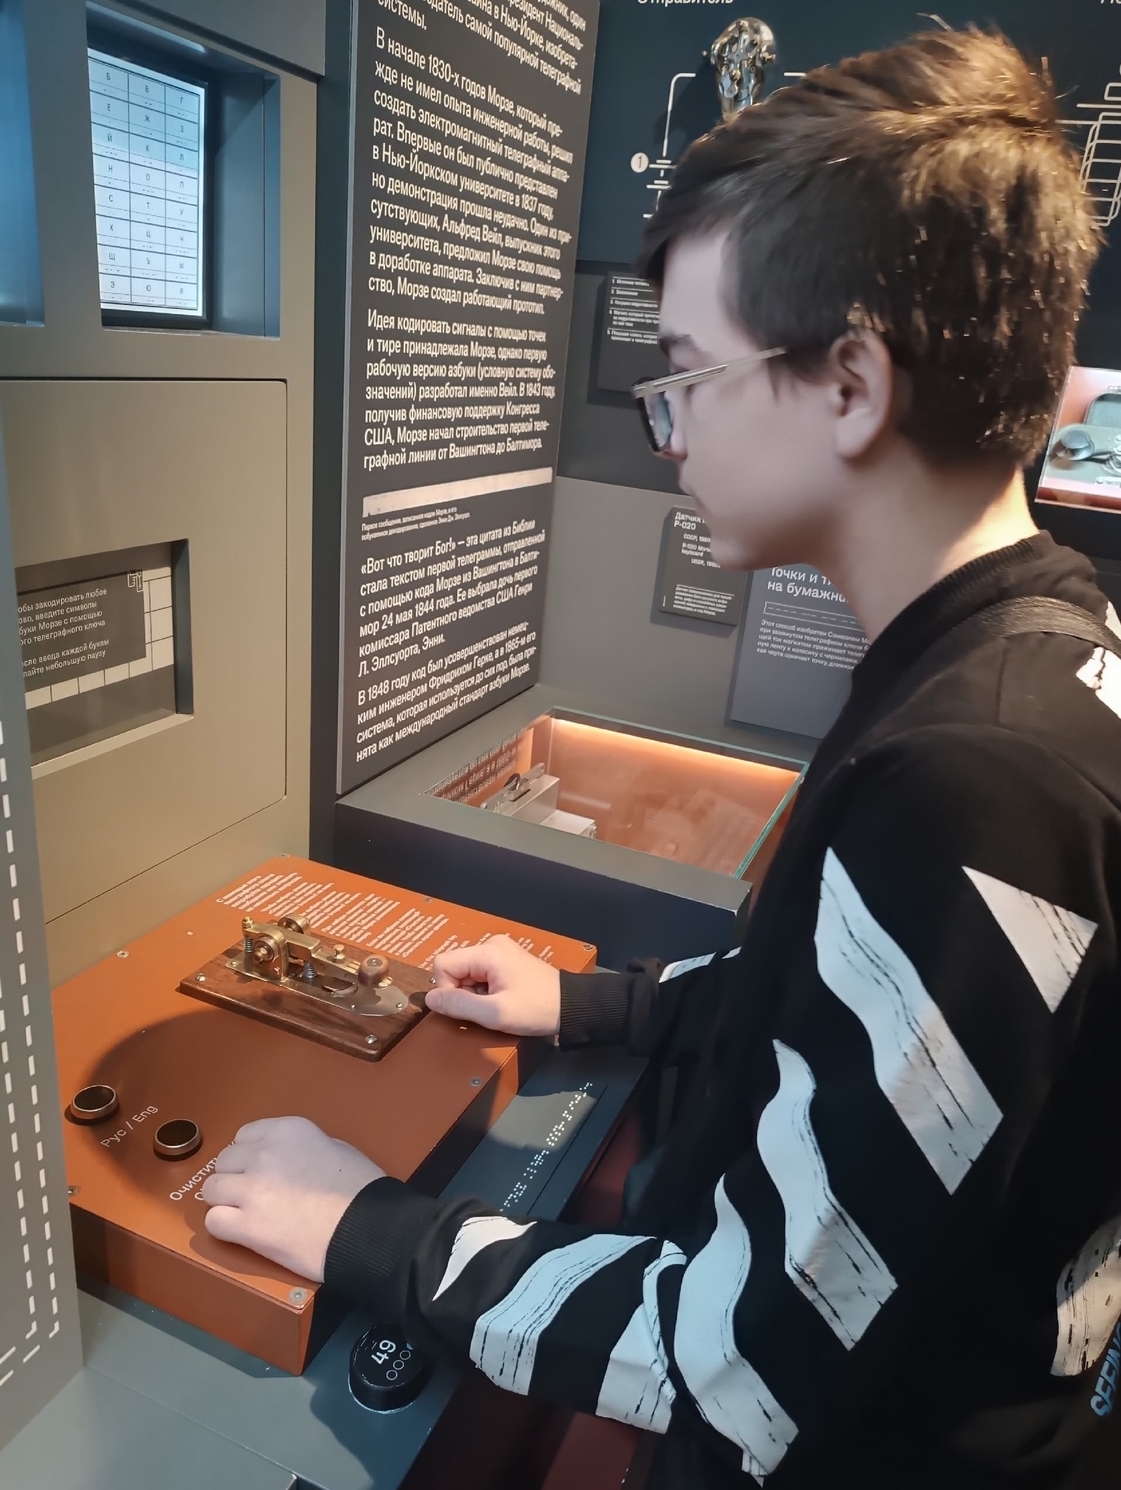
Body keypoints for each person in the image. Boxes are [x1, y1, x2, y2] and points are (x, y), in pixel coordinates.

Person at [201, 26, 1121, 1488]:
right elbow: (841, 1000)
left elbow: (739, 1365)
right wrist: (600, 1003)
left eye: (689, 372)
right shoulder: (1026, 653)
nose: (669, 430)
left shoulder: (980, 776)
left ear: (850, 383)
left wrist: (367, 1227)